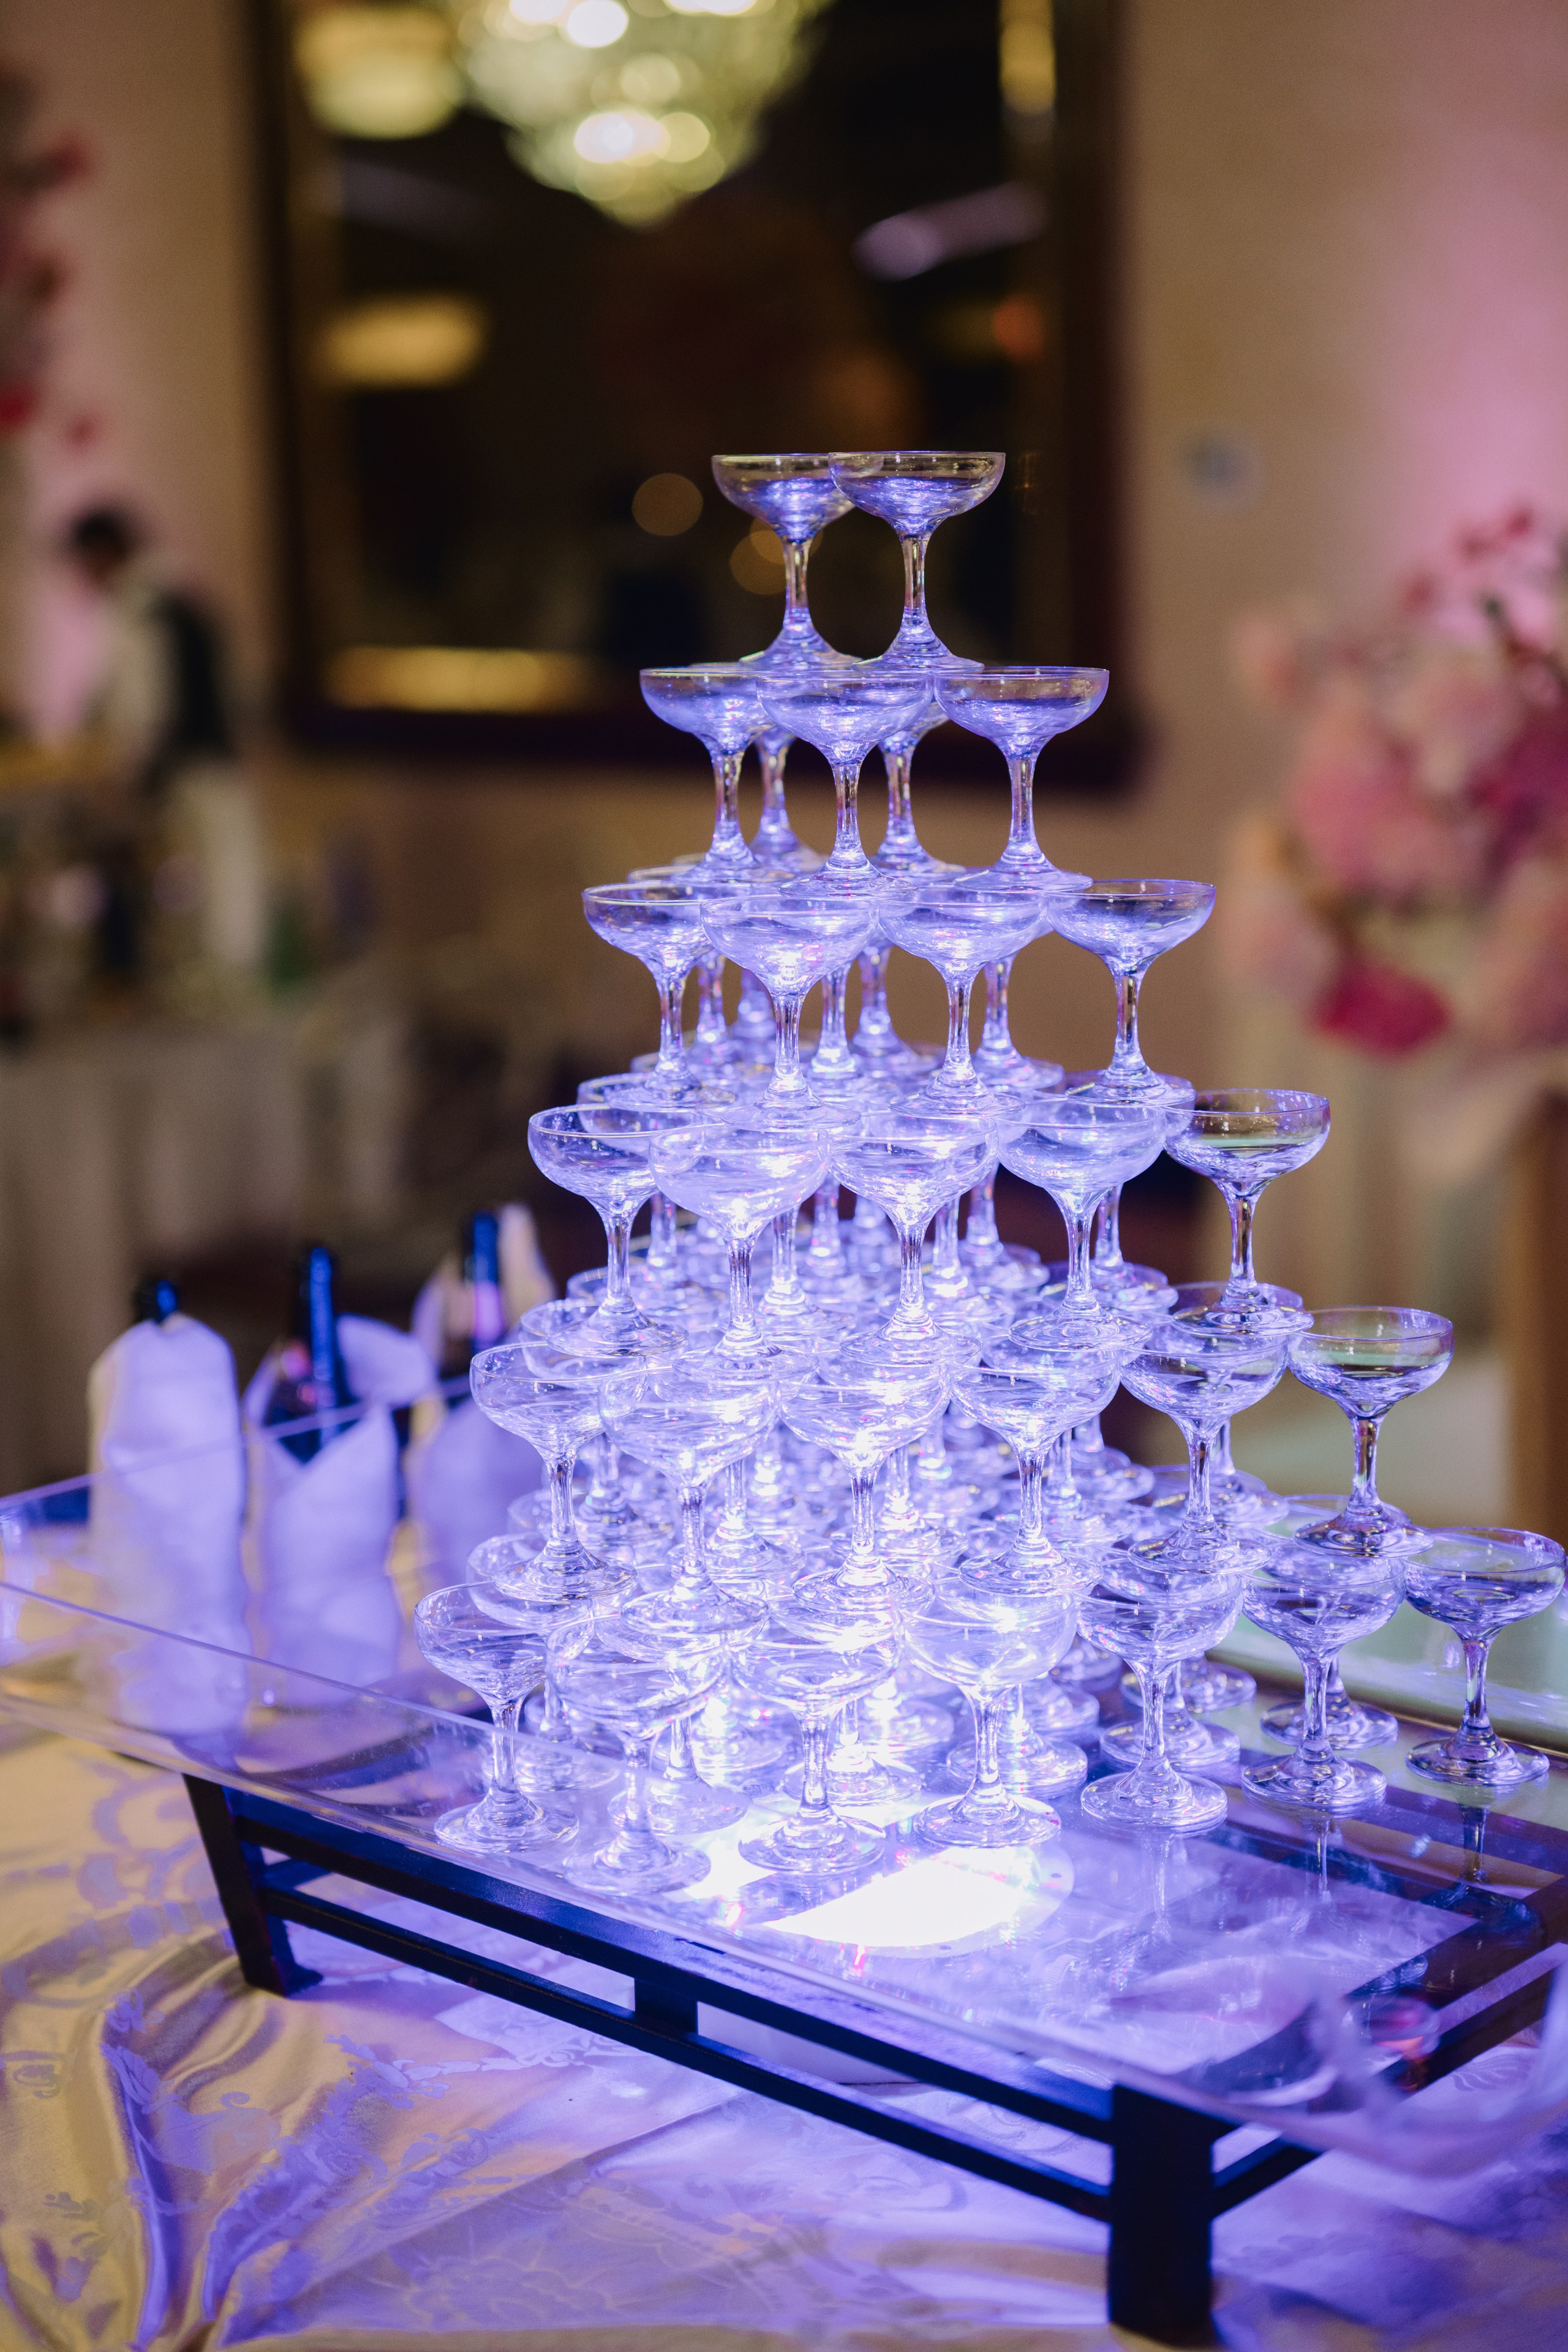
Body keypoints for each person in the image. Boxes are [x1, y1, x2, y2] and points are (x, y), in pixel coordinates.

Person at [62, 504, 267, 980]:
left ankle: (217, 977)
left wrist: (134, 776)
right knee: (221, 873)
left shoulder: (146, 609)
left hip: (191, 763)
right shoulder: (173, 597)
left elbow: (148, 709)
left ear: (104, 553)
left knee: (214, 878)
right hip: (204, 758)